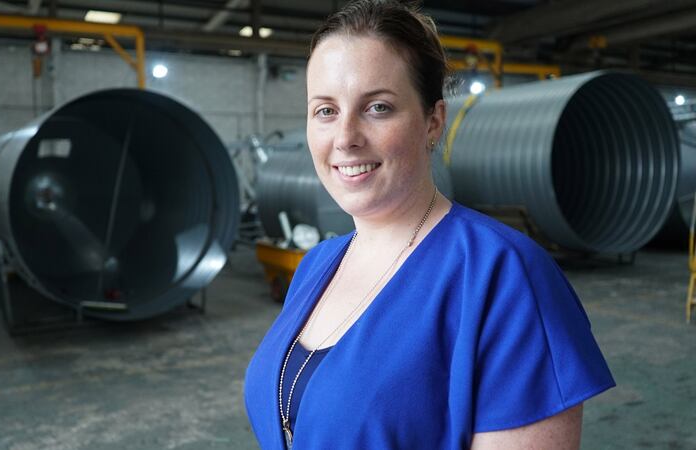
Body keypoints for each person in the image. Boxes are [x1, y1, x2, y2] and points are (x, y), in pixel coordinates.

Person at [244, 1, 615, 449]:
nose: (345, 138)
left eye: (377, 107)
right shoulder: (316, 264)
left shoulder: (503, 276)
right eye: (325, 111)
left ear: (433, 122)